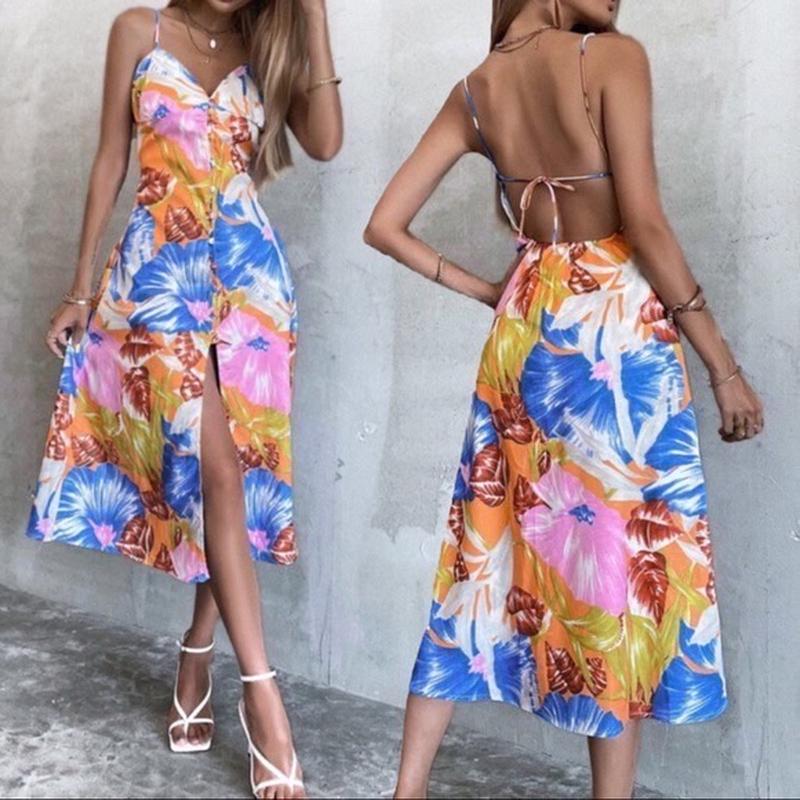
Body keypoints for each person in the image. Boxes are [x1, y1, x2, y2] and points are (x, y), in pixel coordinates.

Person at [364, 1, 762, 797]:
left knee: (479, 550)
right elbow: (645, 224)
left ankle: (406, 790)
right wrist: (722, 365)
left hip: (526, 330)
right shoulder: (612, 59)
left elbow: (385, 224)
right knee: (614, 571)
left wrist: (494, 292)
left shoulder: (477, 88)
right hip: (612, 336)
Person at [27, 2, 342, 797]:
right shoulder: (139, 31)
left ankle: (198, 650)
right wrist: (79, 287)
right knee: (220, 470)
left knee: (232, 477)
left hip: (251, 282)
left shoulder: (263, 43)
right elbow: (111, 157)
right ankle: (264, 701)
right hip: (159, 275)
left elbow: (327, 141)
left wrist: (314, 14)